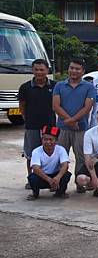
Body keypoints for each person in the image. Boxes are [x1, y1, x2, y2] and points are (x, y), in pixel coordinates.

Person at [52, 58, 96, 190]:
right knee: (59, 157)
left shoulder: (89, 87)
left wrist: (74, 121)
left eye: (77, 69)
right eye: (71, 68)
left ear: (83, 71)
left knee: (81, 157)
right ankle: (59, 184)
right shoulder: (59, 85)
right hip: (62, 129)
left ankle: (79, 183)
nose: (74, 71)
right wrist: (70, 122)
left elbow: (87, 107)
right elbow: (56, 106)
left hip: (81, 129)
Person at [18, 59, 56, 188]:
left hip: (51, 126)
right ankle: (31, 179)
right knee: (31, 154)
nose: (39, 72)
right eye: (36, 69)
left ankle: (51, 180)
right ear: (32, 70)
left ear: (47, 70)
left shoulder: (55, 86)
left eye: (42, 69)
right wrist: (26, 119)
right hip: (32, 126)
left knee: (51, 152)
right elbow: (22, 106)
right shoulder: (25, 87)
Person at [27, 126, 72, 200]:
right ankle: (35, 193)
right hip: (42, 177)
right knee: (32, 178)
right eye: (45, 139)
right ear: (42, 140)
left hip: (55, 176)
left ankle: (60, 192)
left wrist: (58, 177)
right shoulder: (36, 151)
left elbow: (65, 165)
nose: (48, 142)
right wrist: (49, 180)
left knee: (66, 175)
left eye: (51, 140)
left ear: (56, 140)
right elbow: (35, 169)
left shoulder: (61, 149)